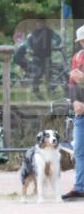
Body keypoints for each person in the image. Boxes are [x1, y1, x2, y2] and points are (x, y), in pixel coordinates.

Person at [63, 25, 84, 201]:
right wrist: (75, 101)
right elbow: (71, 85)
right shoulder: (77, 57)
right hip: (80, 111)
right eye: (81, 41)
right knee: (79, 149)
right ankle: (80, 187)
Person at [27, 20, 61, 96]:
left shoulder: (49, 32)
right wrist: (30, 49)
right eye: (38, 22)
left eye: (41, 22)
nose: (40, 24)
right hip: (36, 57)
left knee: (49, 74)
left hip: (47, 56)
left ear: (44, 23)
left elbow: (58, 39)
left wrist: (54, 46)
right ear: (36, 23)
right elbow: (28, 44)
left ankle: (49, 90)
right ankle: (35, 90)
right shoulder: (33, 33)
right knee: (37, 74)